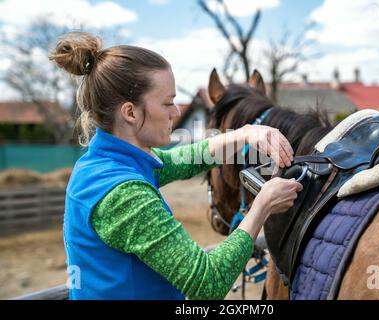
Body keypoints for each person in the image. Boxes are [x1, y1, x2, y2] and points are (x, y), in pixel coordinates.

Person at [50, 32, 302, 300]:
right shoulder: (123, 194)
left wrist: (246, 133)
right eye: (168, 102)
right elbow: (207, 282)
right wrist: (263, 205)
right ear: (130, 113)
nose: (177, 112)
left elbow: (188, 158)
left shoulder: (105, 164)